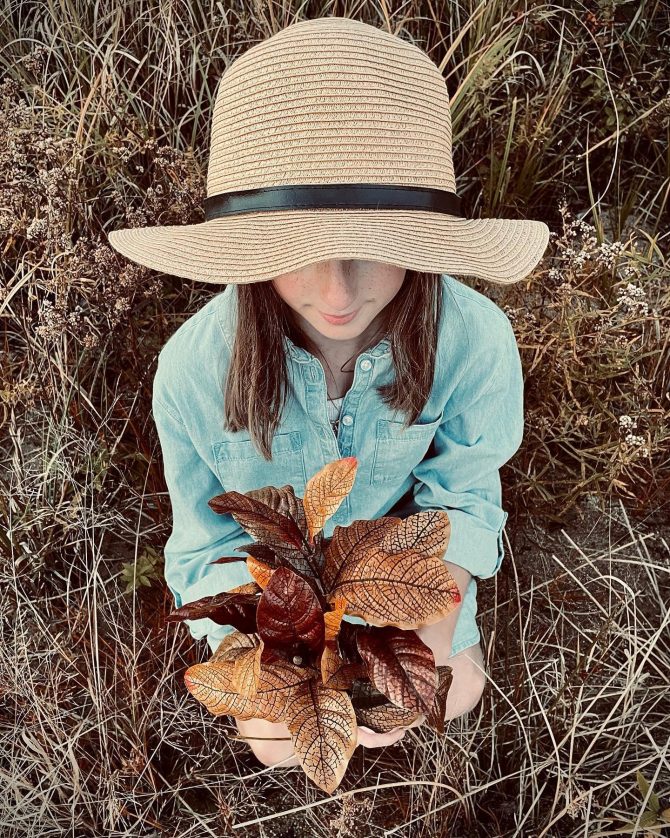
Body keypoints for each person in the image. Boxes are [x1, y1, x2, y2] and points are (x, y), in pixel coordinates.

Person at [108, 17, 549, 769]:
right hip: (279, 618)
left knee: (460, 688)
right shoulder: (191, 373)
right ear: (250, 253)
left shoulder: (475, 342)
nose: (337, 290)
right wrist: (270, 668)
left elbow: (465, 501)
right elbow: (206, 545)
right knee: (279, 747)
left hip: (406, 586)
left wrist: (424, 644)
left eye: (375, 247)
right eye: (298, 251)